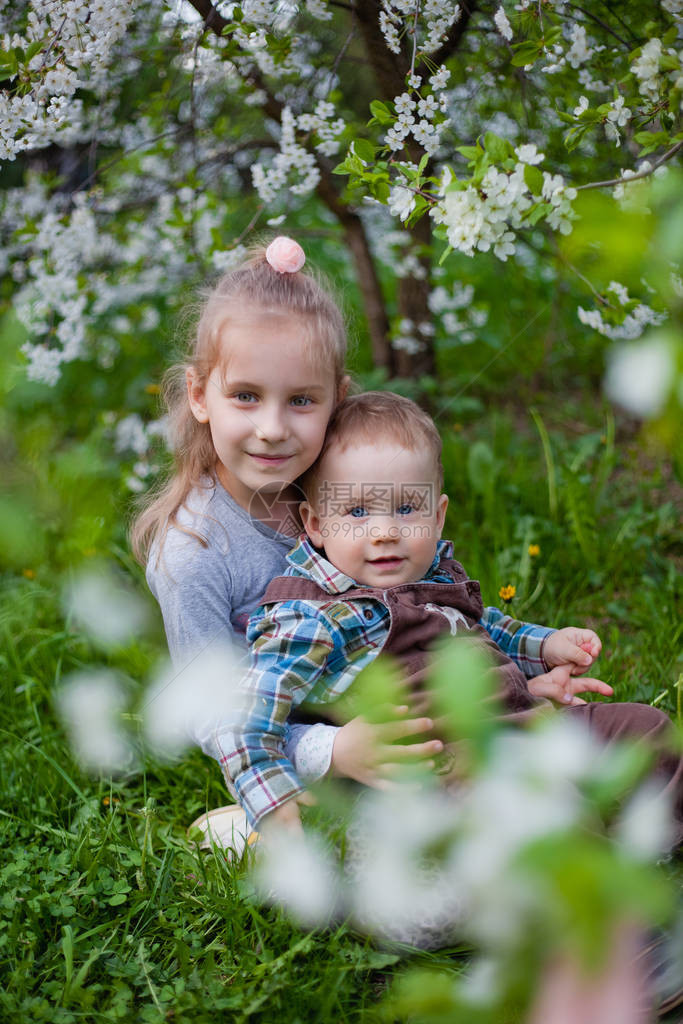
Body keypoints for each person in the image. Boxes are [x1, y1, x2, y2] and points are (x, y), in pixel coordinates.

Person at [132, 237, 585, 821]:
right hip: (300, 755)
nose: (272, 429)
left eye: (300, 400)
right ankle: (247, 834)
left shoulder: (339, 485)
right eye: (245, 396)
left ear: (337, 400)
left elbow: (421, 608)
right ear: (199, 395)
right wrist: (333, 752)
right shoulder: (193, 554)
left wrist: (509, 682)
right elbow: (212, 710)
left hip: (407, 708)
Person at [219, 391, 682, 842]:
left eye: (406, 508)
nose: (384, 532)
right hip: (452, 764)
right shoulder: (313, 616)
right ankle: (596, 899)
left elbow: (484, 625)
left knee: (647, 731)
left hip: (525, 723)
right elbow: (248, 712)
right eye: (357, 511)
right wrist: (271, 797)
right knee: (533, 806)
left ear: (438, 517)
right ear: (316, 524)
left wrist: (543, 646)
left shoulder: (436, 575)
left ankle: (649, 838)